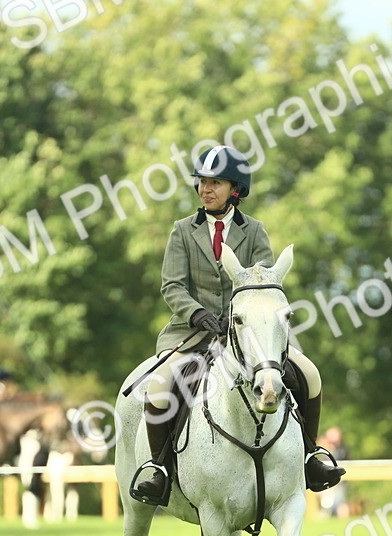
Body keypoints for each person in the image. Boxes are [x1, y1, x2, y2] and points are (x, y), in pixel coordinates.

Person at [130, 144, 345, 505]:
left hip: (249, 334)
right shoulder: (182, 231)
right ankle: (159, 468)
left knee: (308, 373)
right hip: (191, 332)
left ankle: (310, 455)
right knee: (161, 386)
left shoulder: (255, 231)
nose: (204, 189)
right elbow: (172, 285)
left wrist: (237, 317)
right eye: (201, 182)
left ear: (236, 190)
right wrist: (197, 313)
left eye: (214, 182)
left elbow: (262, 281)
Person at [318, 426, 351, 518]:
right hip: (325, 480)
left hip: (339, 481)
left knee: (341, 501)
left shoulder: (342, 449)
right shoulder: (324, 448)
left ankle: (343, 518)